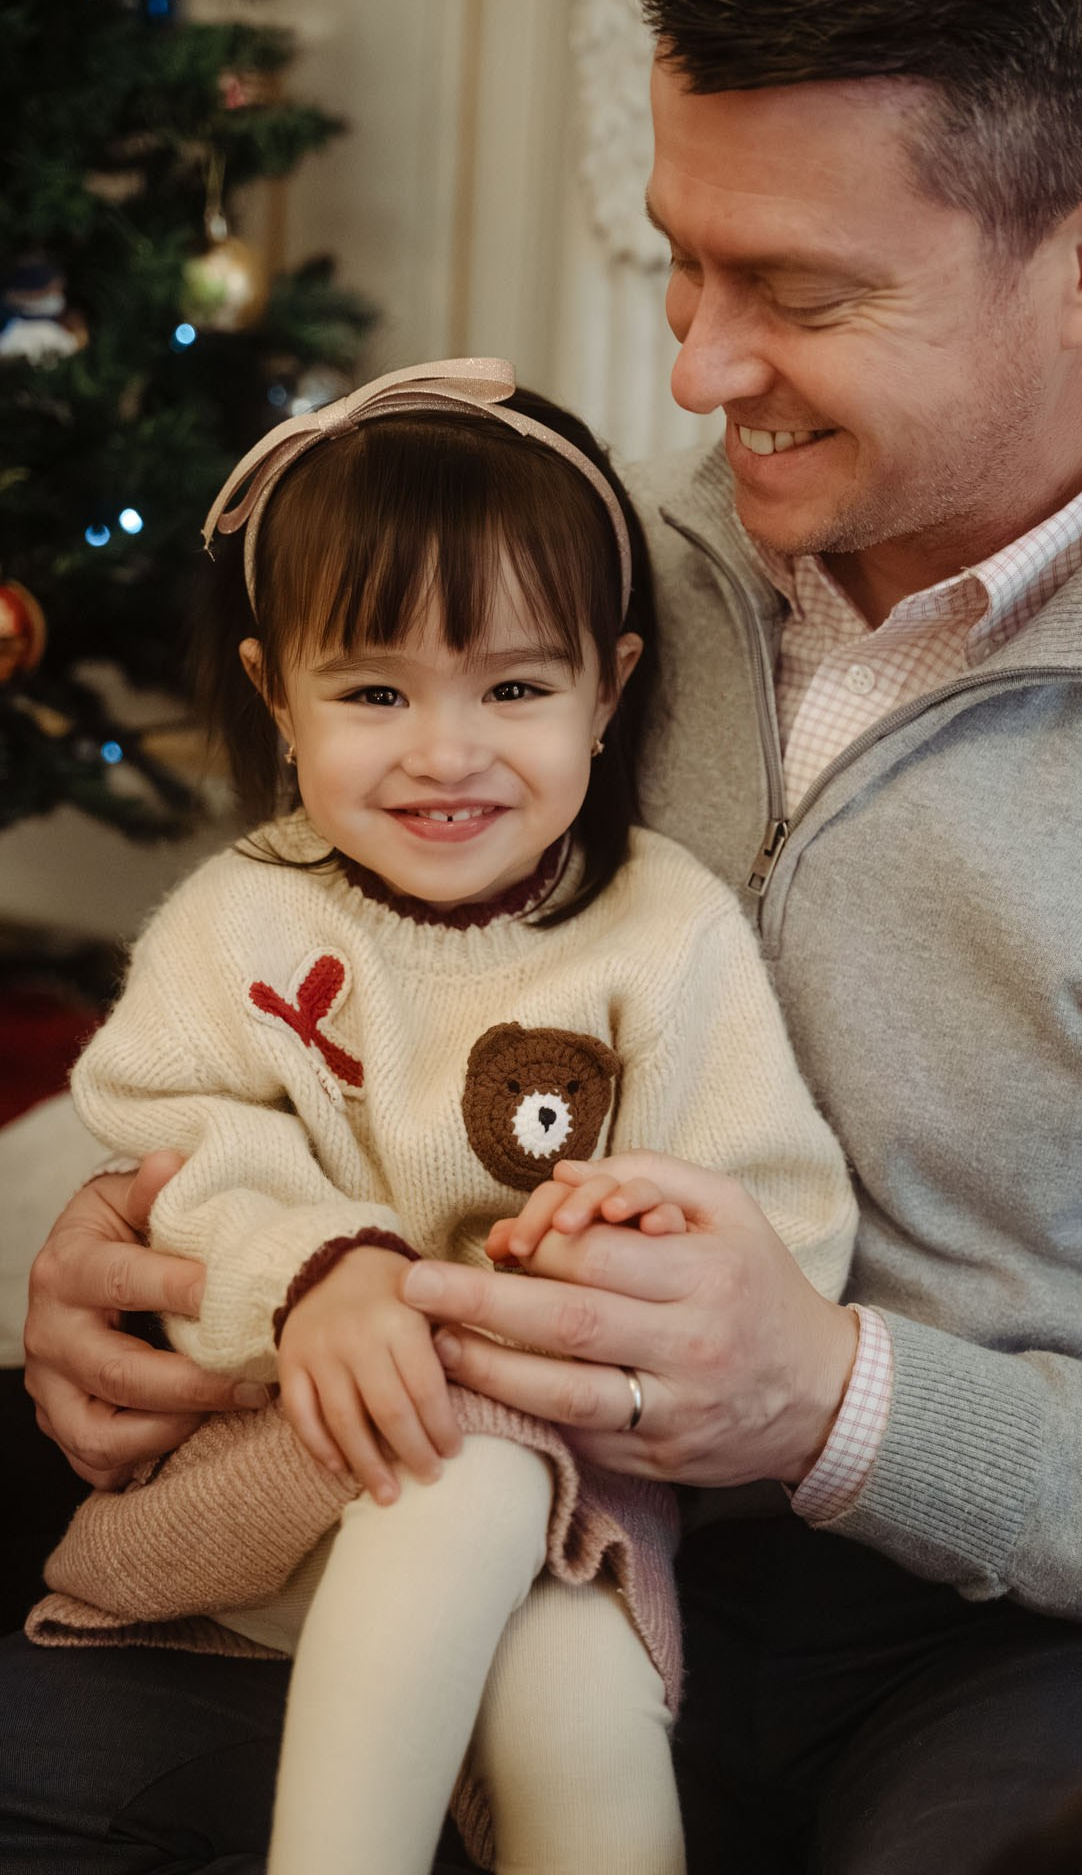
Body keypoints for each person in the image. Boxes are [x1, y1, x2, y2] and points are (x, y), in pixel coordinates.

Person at [11, 0, 1082, 1868]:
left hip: (1014, 1631)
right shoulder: (581, 583)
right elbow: (290, 991)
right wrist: (119, 1259)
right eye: (684, 259)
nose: (692, 368)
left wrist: (831, 1400)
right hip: (451, 1487)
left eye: (800, 292)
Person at [14, 360, 855, 1875]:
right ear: (280, 696)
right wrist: (318, 1271)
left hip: (571, 1502)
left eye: (516, 689)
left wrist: (631, 1254)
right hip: (284, 1460)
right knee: (458, 1474)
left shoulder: (661, 935)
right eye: (376, 691)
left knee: (583, 1695)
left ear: (610, 688)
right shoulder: (244, 919)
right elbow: (176, 1137)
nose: (445, 752)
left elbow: (777, 1215)